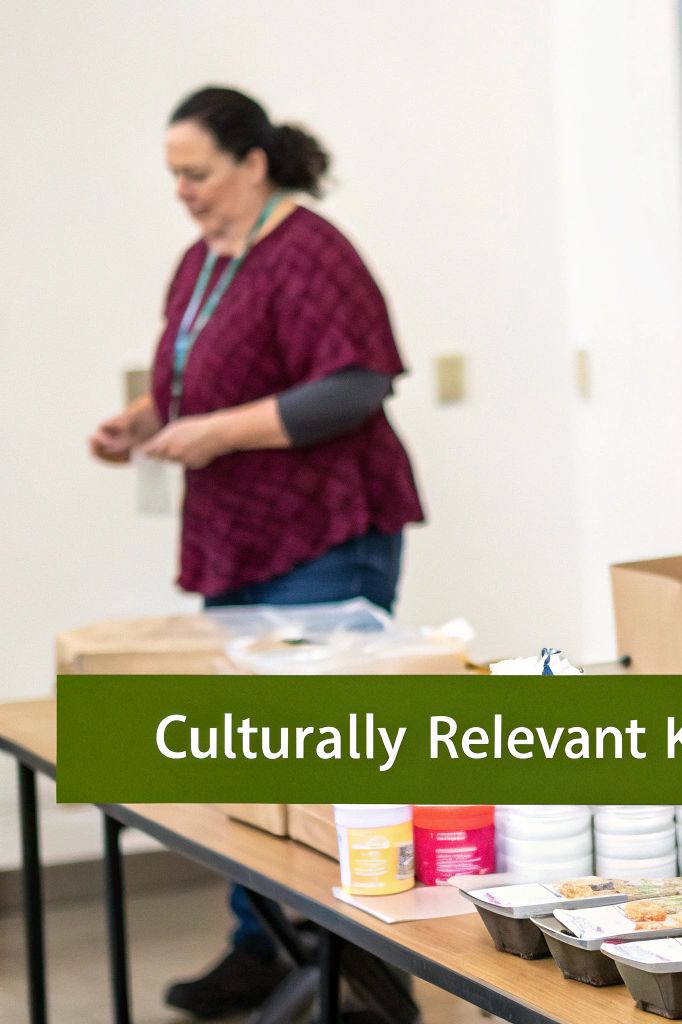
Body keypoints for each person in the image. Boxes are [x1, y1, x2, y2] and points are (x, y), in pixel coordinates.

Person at [87, 85, 424, 1017]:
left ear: (252, 163)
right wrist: (149, 419)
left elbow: (355, 387)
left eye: (196, 173)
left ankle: (357, 965)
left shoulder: (312, 250)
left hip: (326, 532)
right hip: (241, 536)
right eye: (174, 177)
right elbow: (206, 378)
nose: (184, 192)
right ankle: (264, 943)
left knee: (321, 753)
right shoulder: (203, 262)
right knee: (253, 752)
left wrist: (219, 432)